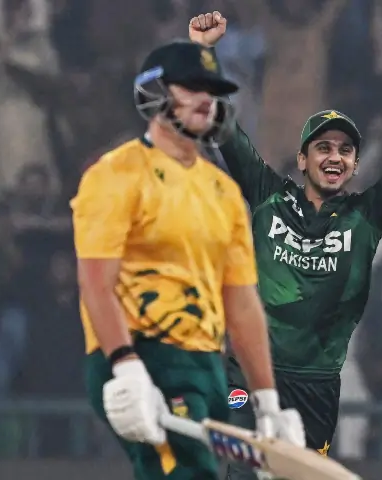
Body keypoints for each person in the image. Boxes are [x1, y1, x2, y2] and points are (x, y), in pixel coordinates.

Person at [188, 12, 382, 476]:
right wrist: (205, 53)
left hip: (334, 367)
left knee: (341, 440)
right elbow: (227, 132)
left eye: (340, 154)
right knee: (238, 421)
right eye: (320, 152)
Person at [71, 40, 305, 480]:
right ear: (155, 91)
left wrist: (267, 400)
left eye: (212, 90)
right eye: (191, 86)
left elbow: (242, 303)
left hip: (208, 364)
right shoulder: (115, 174)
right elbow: (96, 281)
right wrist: (125, 365)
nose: (206, 99)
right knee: (185, 473)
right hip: (145, 350)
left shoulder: (223, 192)